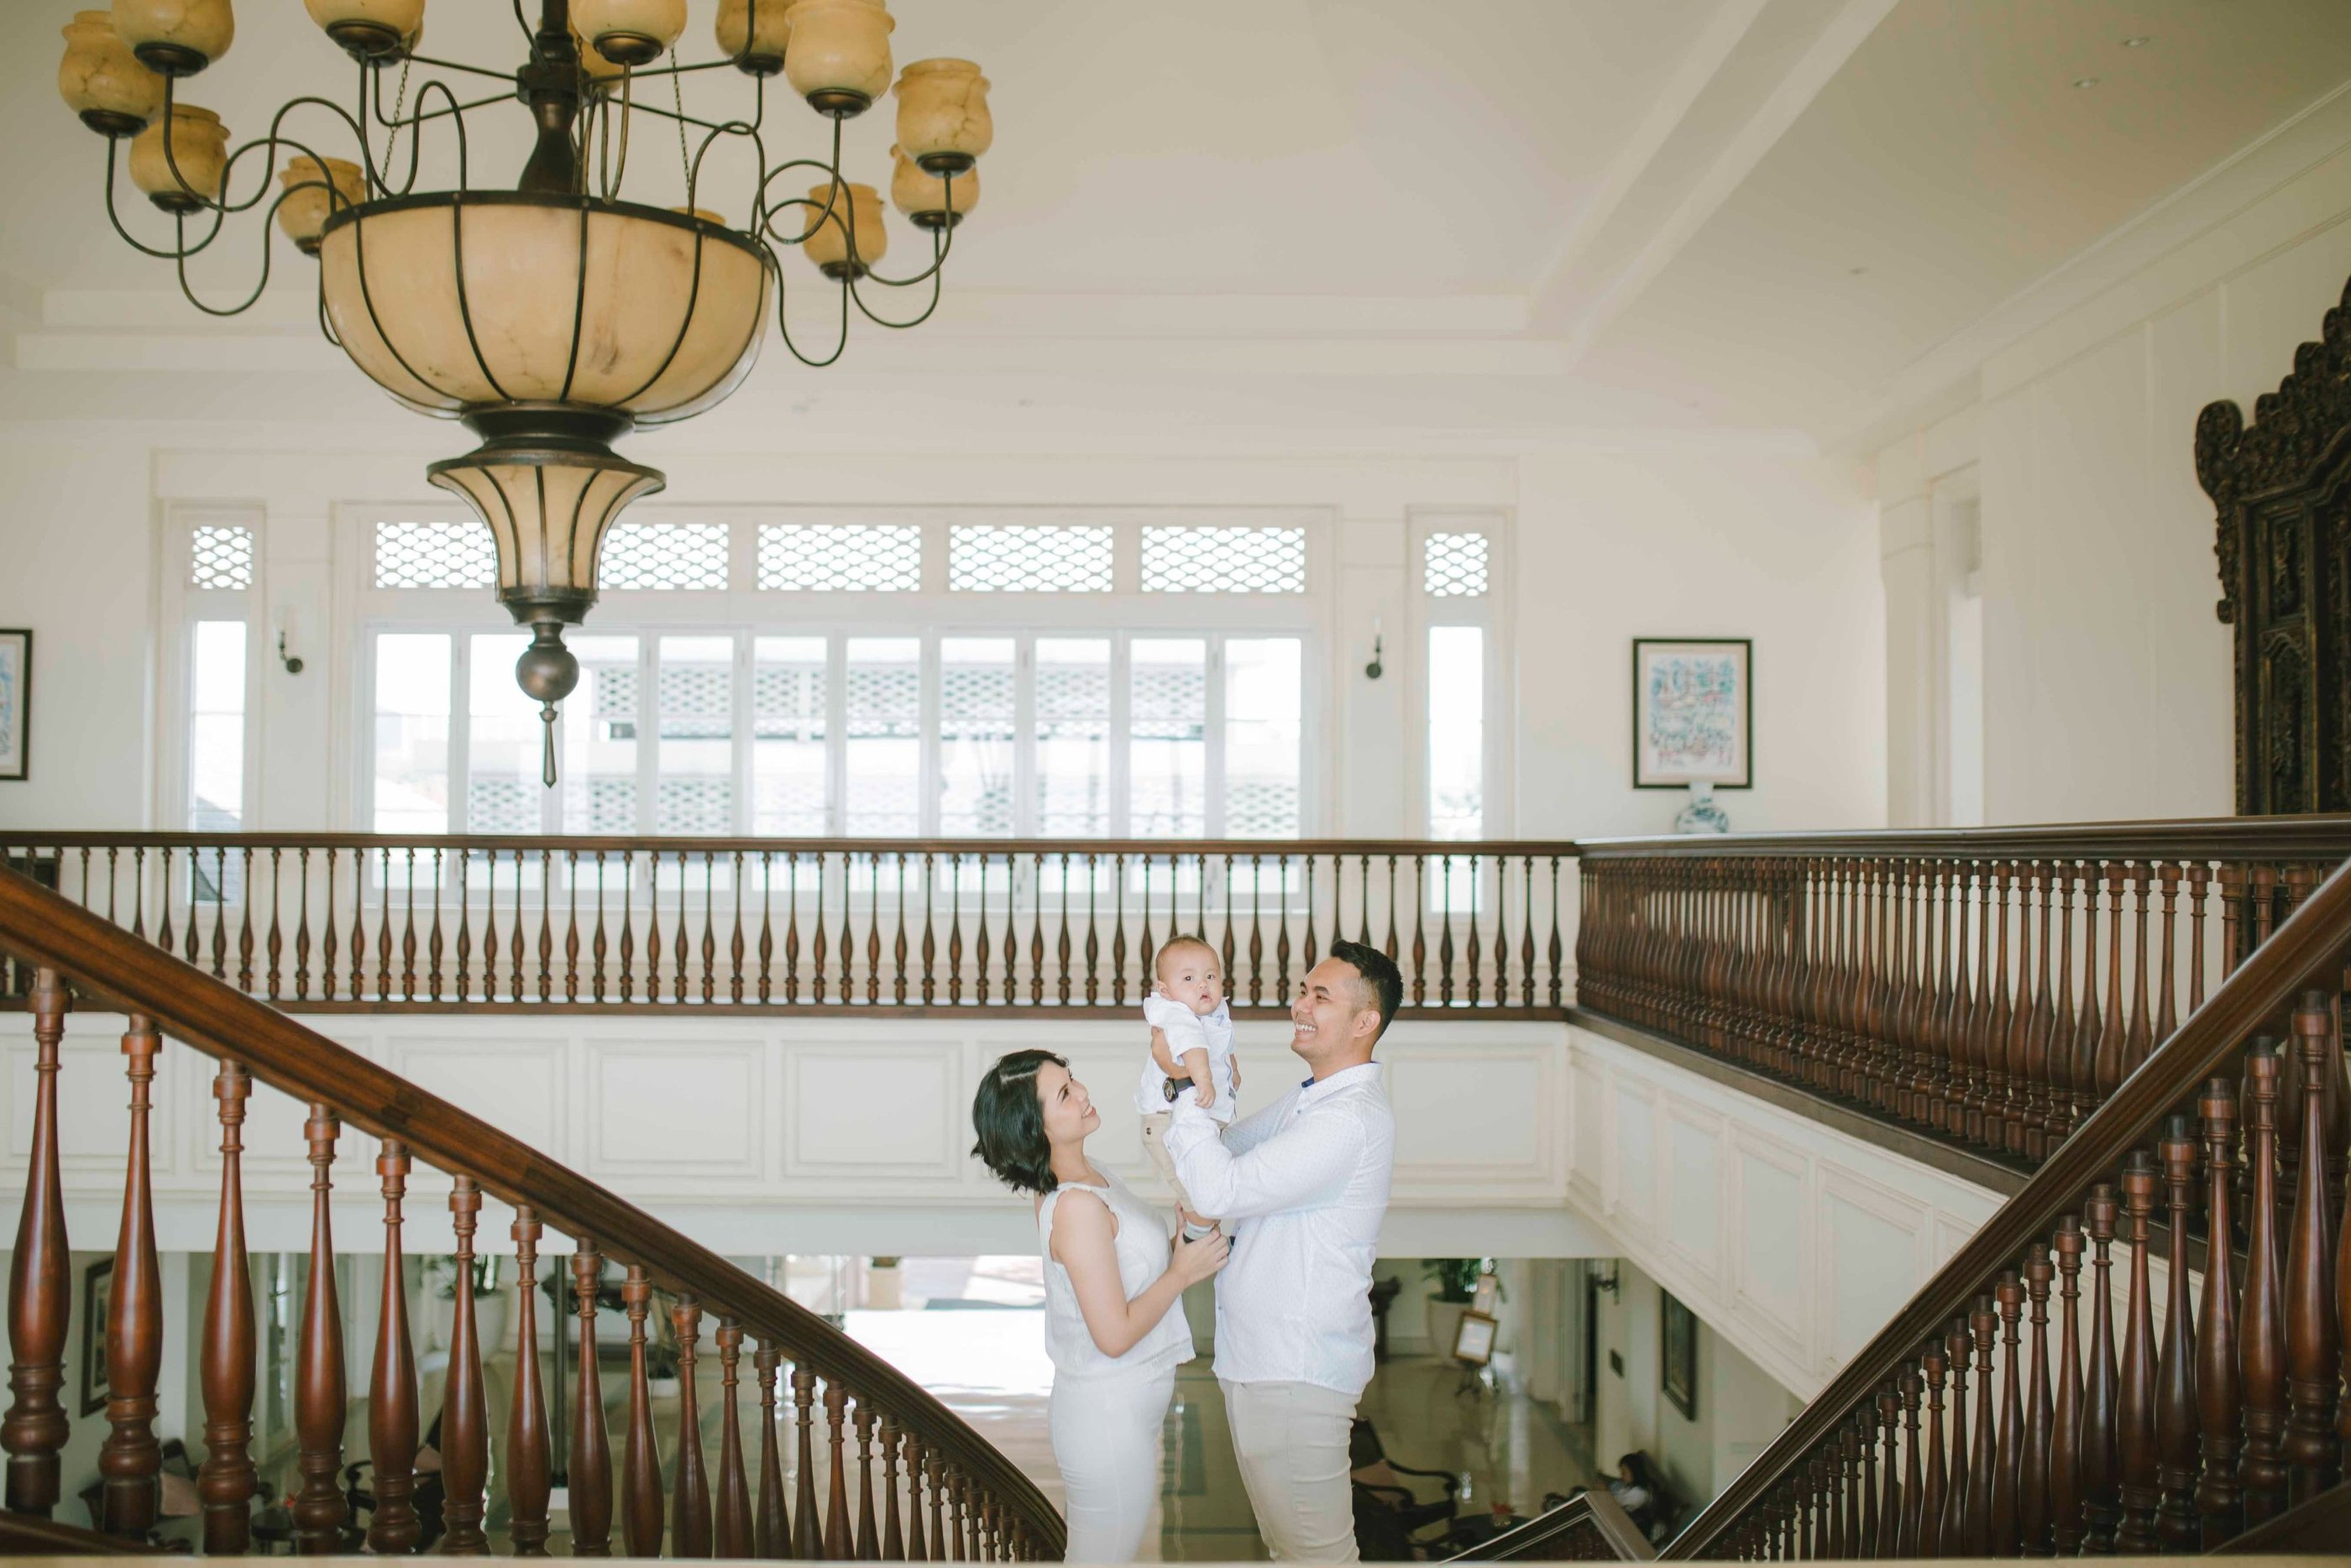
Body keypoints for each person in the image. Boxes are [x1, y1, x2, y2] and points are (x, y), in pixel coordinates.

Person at [1160, 939, 1402, 1563]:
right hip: (1261, 1364)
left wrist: (1190, 1083)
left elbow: (1216, 1185)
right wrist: (1204, 1080)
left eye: (1320, 995)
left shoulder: (1345, 1119)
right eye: (1302, 990)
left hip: (1295, 1370)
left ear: (1365, 1021)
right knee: (1286, 1549)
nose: (1299, 1004)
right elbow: (1223, 1153)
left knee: (1317, 1556)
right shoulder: (1311, 1099)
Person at [971, 1048, 1230, 1563]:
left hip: (1122, 1412)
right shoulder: (1076, 1206)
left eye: (1074, 1081)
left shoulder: (1094, 1178)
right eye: (1064, 1094)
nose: (1084, 1092)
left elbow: (1127, 1270)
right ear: (1033, 1127)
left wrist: (1178, 1244)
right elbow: (1112, 1335)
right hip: (1105, 1418)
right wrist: (1182, 1273)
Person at [1136, 934, 1238, 1241]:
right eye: (1189, 978)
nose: (1203, 985)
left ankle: (1195, 1232)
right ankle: (1195, 1237)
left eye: (1210, 976)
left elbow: (1224, 1044)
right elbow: (1193, 1045)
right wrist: (1204, 1078)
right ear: (1166, 991)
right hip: (1165, 1121)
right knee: (1197, 1195)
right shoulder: (1174, 1013)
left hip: (1194, 1118)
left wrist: (1234, 1069)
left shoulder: (1215, 1012)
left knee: (1202, 1186)